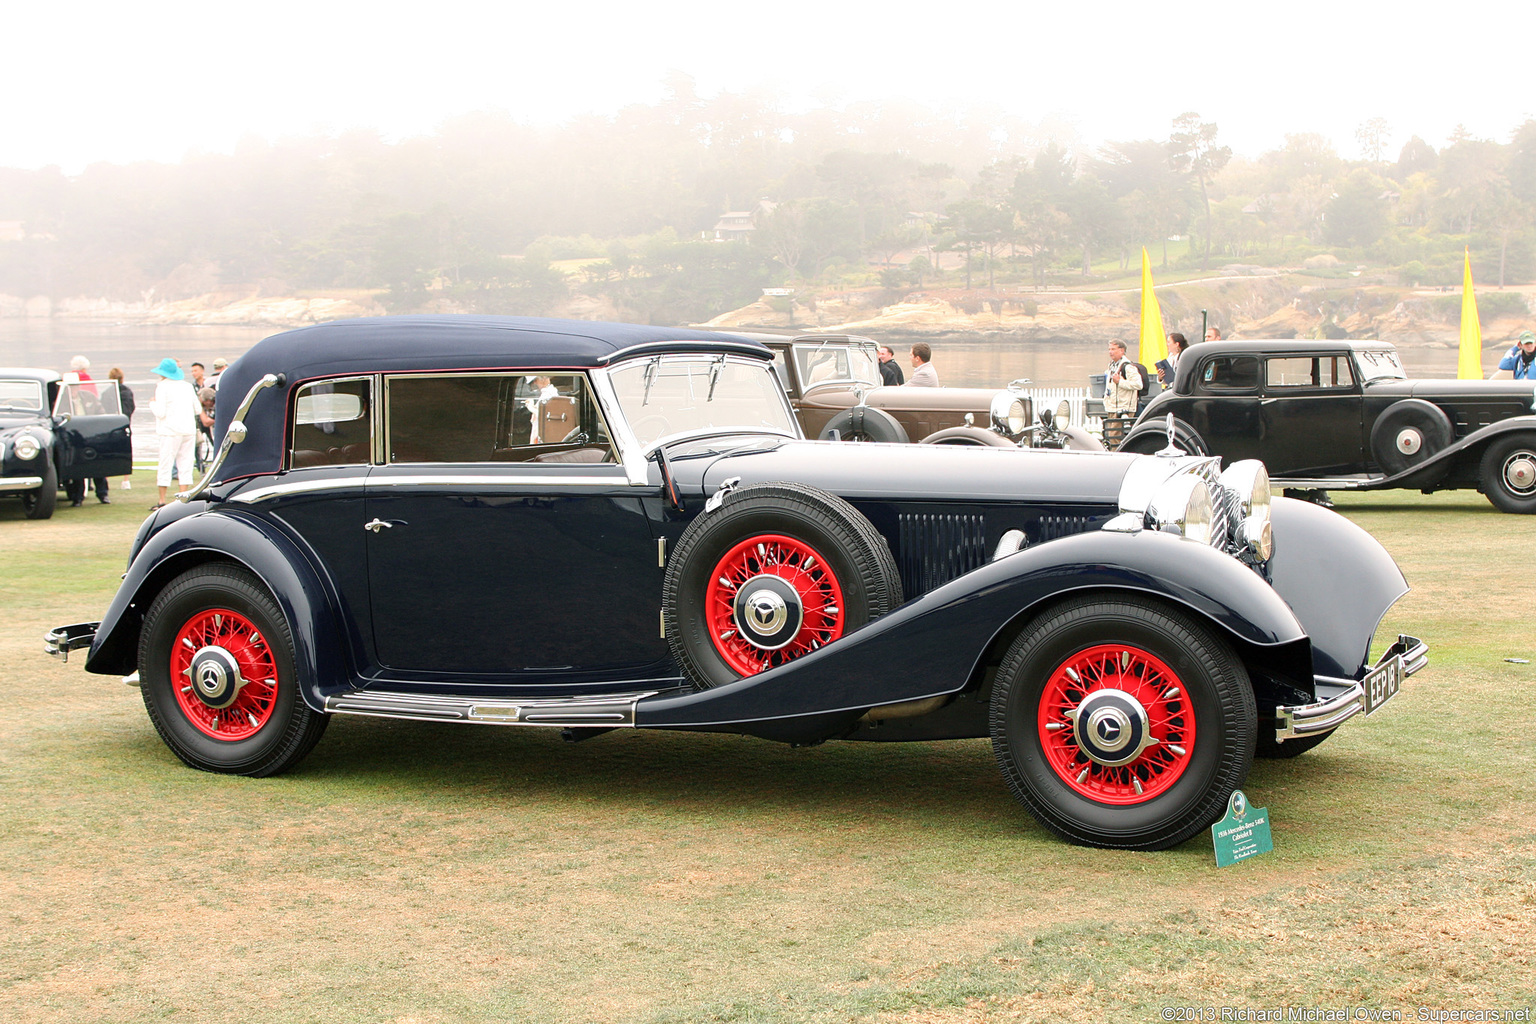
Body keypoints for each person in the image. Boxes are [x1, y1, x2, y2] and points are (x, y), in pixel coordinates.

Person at [149, 357, 199, 510]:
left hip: (169, 431)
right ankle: (183, 497)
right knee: (185, 464)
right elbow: (197, 409)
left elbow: (160, 412)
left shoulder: (162, 387)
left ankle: (162, 500)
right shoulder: (187, 386)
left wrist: (152, 403)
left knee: (165, 463)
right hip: (188, 429)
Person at [1103, 340, 1142, 446]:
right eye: (1109, 349)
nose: (1110, 352)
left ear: (1122, 350)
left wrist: (1120, 382)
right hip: (1112, 407)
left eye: (1113, 349)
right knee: (1110, 437)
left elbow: (1138, 384)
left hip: (1123, 408)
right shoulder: (1112, 365)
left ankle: (1116, 457)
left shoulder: (1128, 367)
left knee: (1115, 437)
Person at [109, 367, 135, 492]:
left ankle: (107, 480)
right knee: (126, 452)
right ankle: (126, 480)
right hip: (125, 423)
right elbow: (131, 407)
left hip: (110, 425)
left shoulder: (108, 392)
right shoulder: (127, 392)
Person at [195, 386, 218, 469]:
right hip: (202, 426)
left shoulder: (217, 405)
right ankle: (200, 466)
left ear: (209, 400)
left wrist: (199, 409)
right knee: (196, 447)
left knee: (216, 444)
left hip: (213, 427)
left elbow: (206, 422)